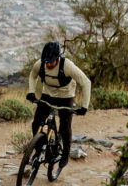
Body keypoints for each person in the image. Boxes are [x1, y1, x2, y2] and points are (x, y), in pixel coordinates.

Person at [26, 41, 91, 169]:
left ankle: (65, 153)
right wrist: (31, 92)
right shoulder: (40, 64)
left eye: (51, 61)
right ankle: (39, 149)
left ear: (58, 58)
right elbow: (32, 76)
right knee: (36, 123)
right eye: (46, 61)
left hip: (66, 97)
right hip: (48, 95)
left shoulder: (67, 66)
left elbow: (86, 82)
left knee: (65, 127)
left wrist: (84, 106)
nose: (49, 64)